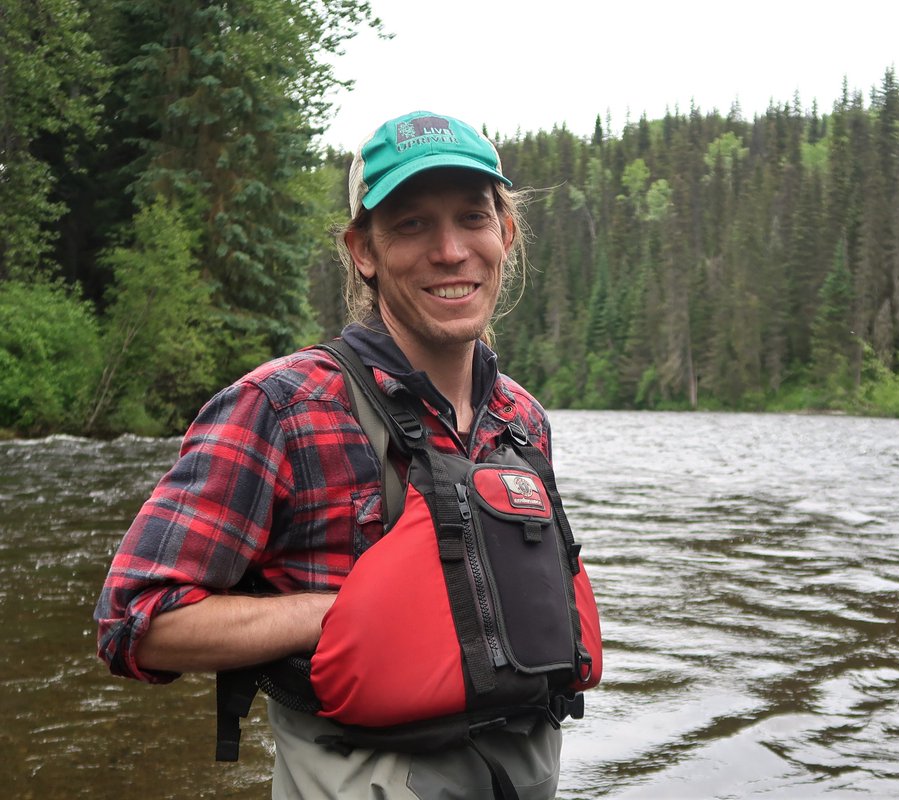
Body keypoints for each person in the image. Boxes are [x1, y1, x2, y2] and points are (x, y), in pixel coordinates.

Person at [95, 110, 601, 800]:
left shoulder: (522, 419)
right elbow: (134, 621)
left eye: (472, 218)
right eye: (412, 224)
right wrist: (331, 613)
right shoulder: (280, 408)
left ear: (504, 234)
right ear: (363, 251)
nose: (451, 250)